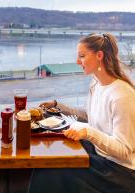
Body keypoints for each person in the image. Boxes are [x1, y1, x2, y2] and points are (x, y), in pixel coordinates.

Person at [28, 33, 135, 193]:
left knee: (49, 173)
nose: (78, 62)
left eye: (82, 56)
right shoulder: (96, 84)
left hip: (118, 171)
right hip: (100, 155)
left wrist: (89, 132)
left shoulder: (122, 96)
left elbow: (125, 151)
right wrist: (59, 106)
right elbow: (92, 116)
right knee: (48, 160)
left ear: (99, 55)